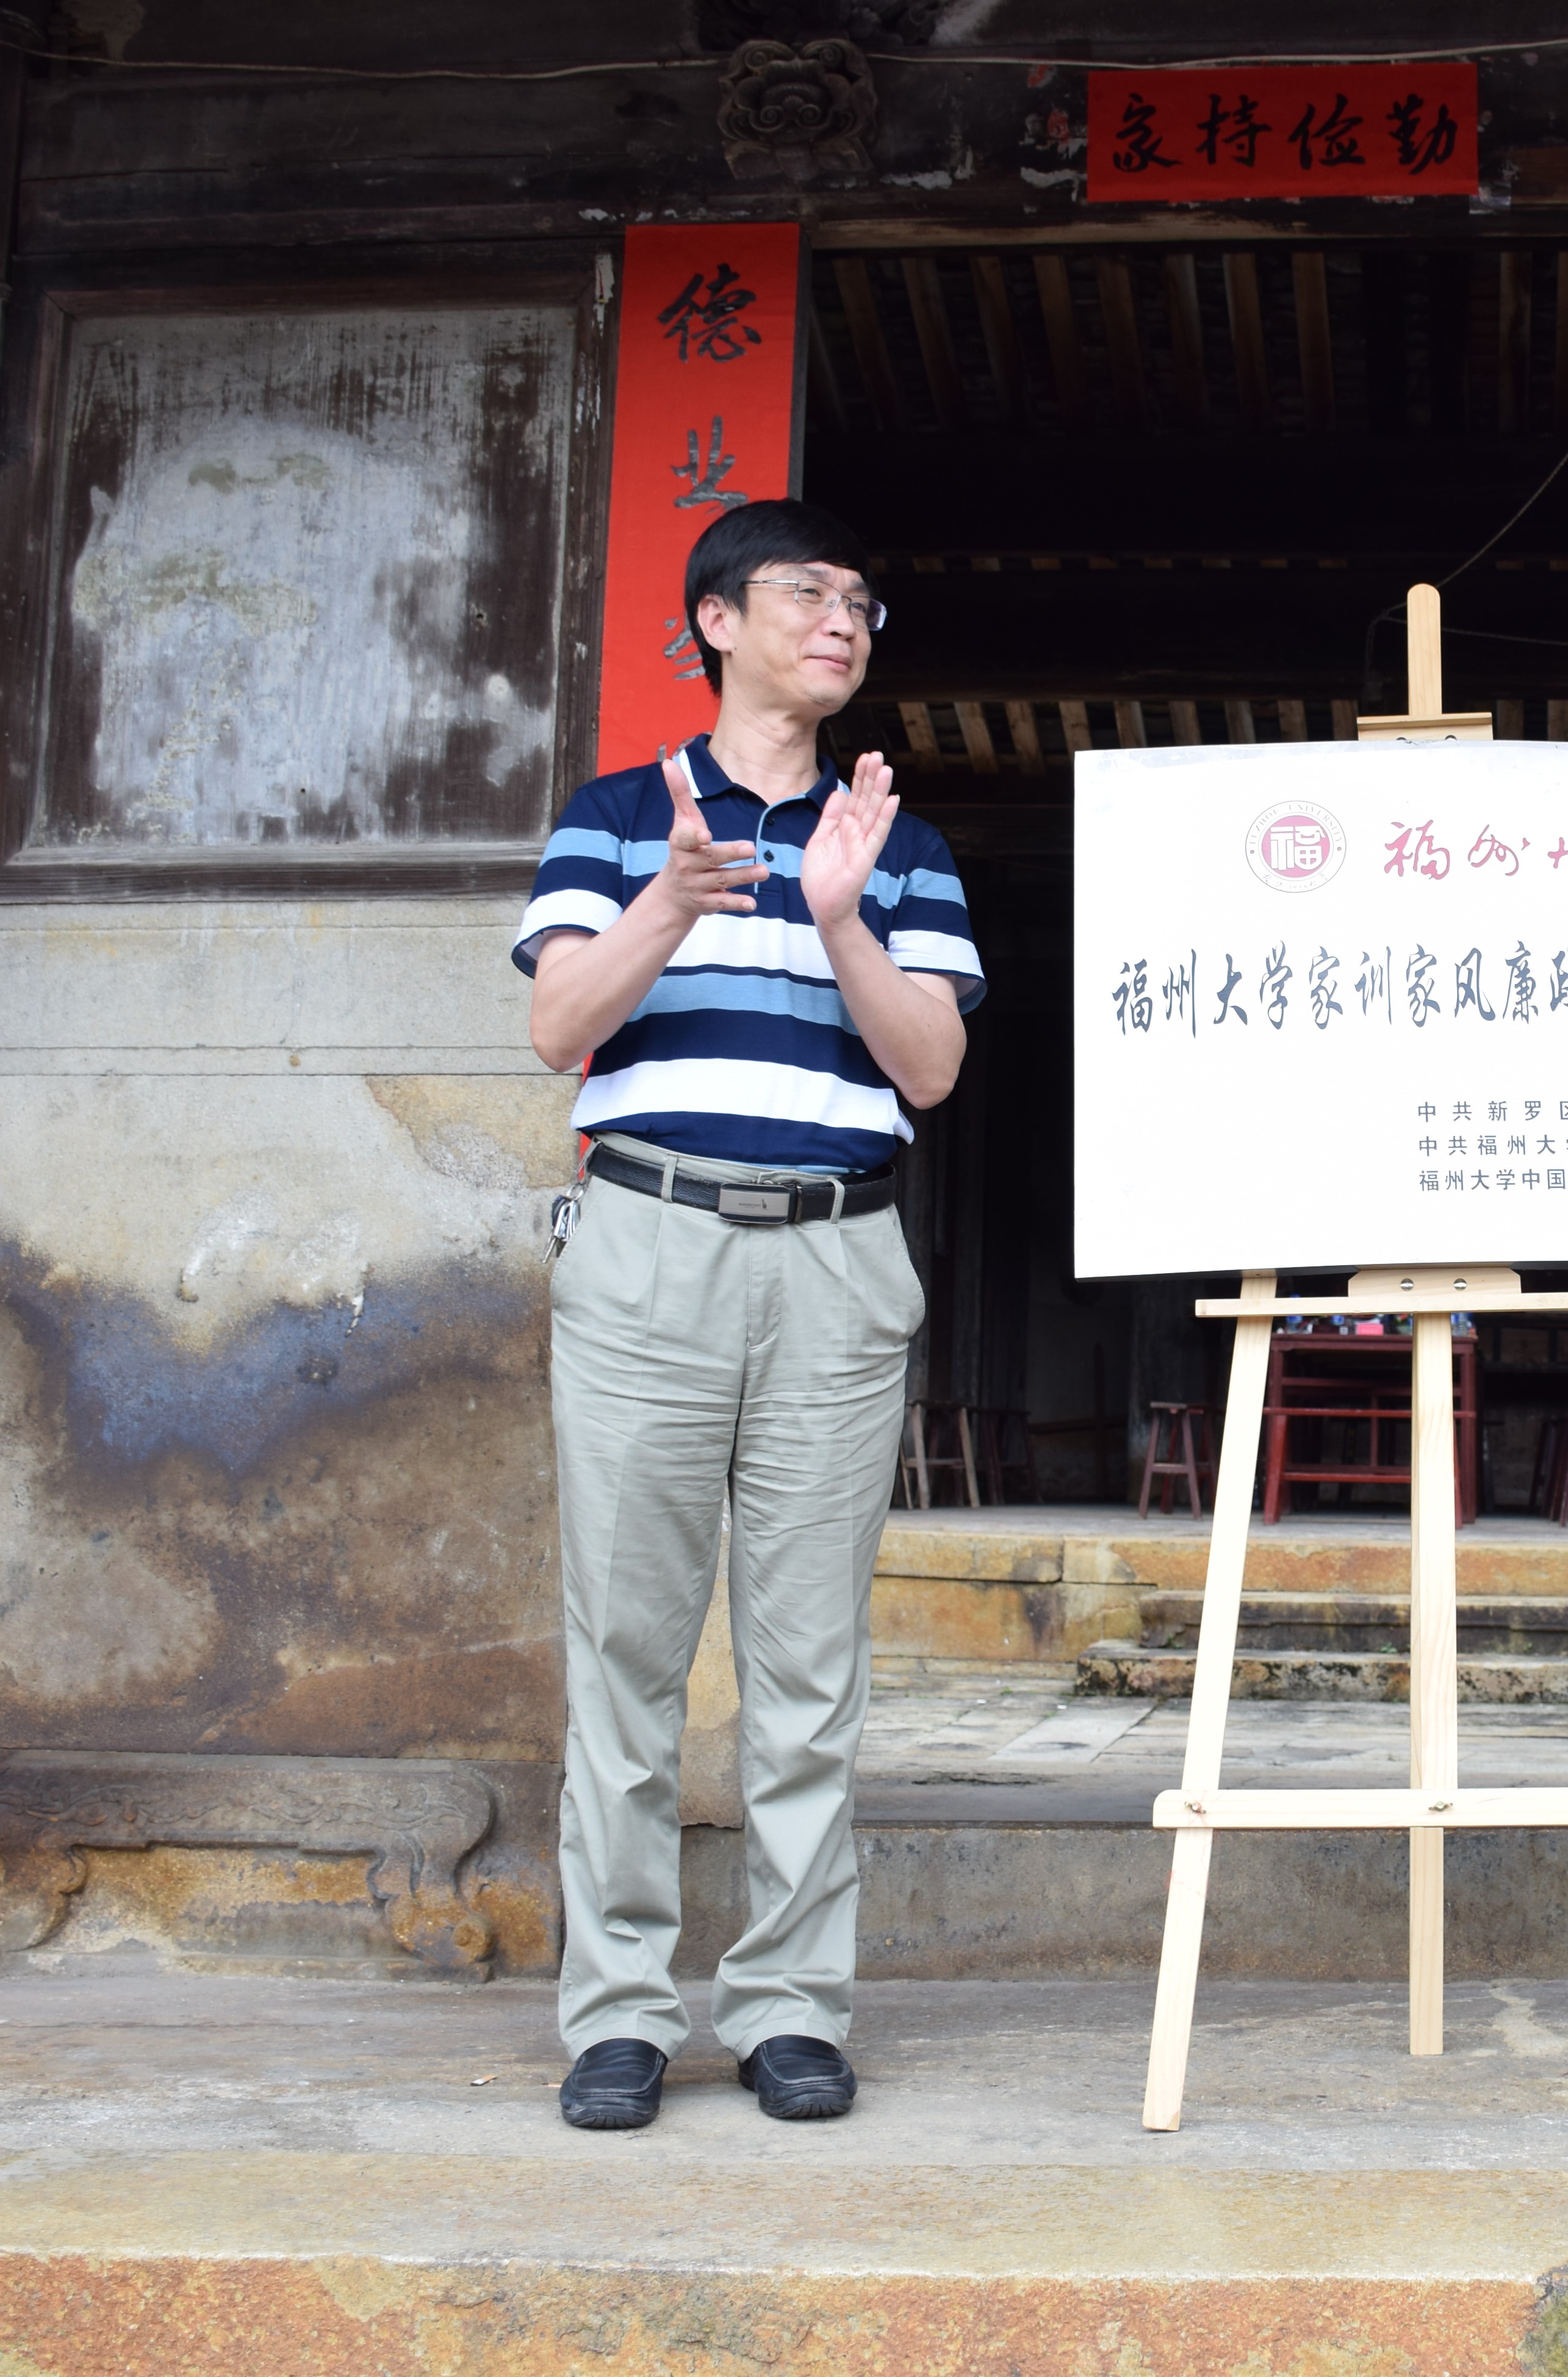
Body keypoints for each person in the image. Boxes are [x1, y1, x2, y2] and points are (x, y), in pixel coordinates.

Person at [514, 498, 979, 2130]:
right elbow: (556, 1027)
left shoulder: (897, 841)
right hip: (649, 1240)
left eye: (862, 600)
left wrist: (841, 911)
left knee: (808, 1663)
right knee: (627, 1652)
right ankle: (622, 2013)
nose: (842, 621)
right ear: (718, 620)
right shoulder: (616, 814)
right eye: (807, 594)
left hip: (840, 1255)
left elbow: (927, 1069)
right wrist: (669, 901)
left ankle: (788, 2004)